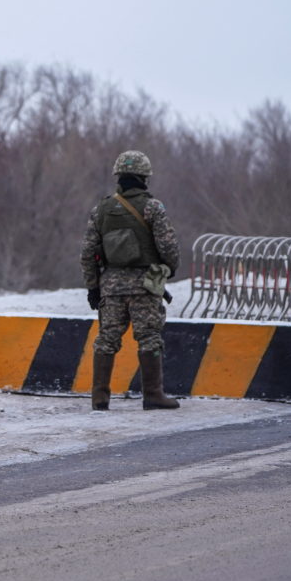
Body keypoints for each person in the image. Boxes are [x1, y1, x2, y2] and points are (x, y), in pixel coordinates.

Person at [80, 150, 181, 411]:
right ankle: (153, 396)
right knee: (149, 337)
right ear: (145, 177)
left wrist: (93, 287)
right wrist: (168, 270)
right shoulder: (153, 207)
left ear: (118, 176)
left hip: (111, 287)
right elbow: (168, 246)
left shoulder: (101, 209)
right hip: (145, 285)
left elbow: (88, 253)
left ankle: (99, 399)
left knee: (106, 340)